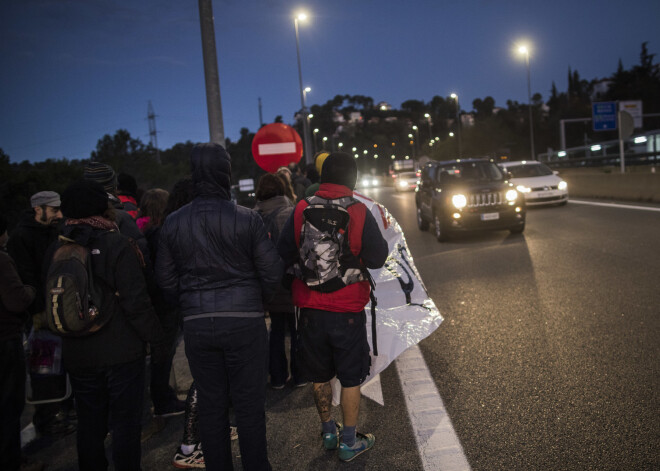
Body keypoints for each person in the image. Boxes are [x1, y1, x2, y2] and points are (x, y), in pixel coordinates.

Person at [156, 143, 283, 471]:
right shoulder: (247, 218)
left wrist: (189, 308)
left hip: (198, 325)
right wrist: (258, 303)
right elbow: (272, 272)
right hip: (245, 322)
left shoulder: (172, 223)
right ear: (226, 174)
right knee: (249, 408)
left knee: (211, 409)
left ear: (194, 174)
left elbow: (166, 283)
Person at [277, 152, 388, 462]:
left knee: (319, 374)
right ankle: (350, 441)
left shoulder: (301, 207)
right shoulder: (359, 211)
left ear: (323, 177)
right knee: (351, 376)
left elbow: (282, 251)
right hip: (347, 309)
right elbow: (378, 257)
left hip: (309, 309)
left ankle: (328, 432)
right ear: (352, 179)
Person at [51, 179, 166, 471]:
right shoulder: (116, 242)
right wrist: (155, 337)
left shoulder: (58, 248)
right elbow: (136, 301)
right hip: (121, 351)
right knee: (125, 423)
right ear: (104, 209)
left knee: (89, 423)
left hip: (78, 352)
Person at [6, 191, 76, 438]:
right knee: (45, 370)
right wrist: (38, 309)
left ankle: (66, 411)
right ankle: (47, 420)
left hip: (60, 309)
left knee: (66, 366)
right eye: (53, 210)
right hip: (40, 314)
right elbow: (24, 277)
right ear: (38, 209)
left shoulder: (54, 231)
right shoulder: (21, 237)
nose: (59, 214)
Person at [0, 214, 45, 471]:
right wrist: (30, 290)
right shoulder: (2, 259)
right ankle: (12, 461)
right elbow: (16, 299)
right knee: (10, 404)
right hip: (5, 339)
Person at [253, 173, 305, 389]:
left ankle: (277, 377)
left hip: (267, 284)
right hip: (290, 280)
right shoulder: (291, 213)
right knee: (296, 329)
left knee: (275, 329)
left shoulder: (252, 217)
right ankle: (300, 375)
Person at [138, 188, 186, 418]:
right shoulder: (160, 234)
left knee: (161, 352)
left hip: (154, 300)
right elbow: (165, 271)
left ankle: (162, 395)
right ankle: (163, 399)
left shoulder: (143, 231)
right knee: (163, 353)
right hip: (164, 303)